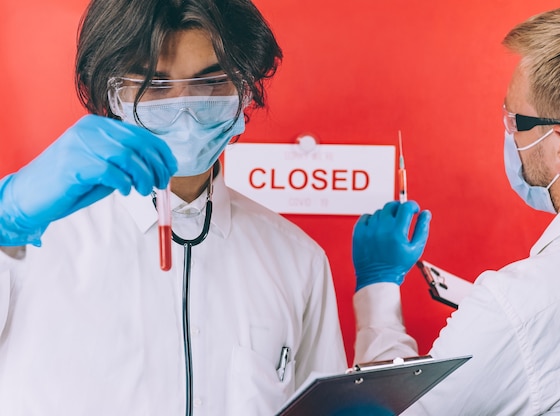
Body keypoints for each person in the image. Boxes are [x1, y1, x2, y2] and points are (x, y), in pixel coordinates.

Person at [0, 0, 346, 414]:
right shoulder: (26, 242)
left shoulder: (297, 260)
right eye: (154, 85)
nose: (183, 108)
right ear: (110, 96)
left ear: (246, 90)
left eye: (210, 82)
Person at [352, 2, 560, 415]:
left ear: (559, 146)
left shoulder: (521, 305)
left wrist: (378, 287)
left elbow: (400, 409)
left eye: (515, 119)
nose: (509, 133)